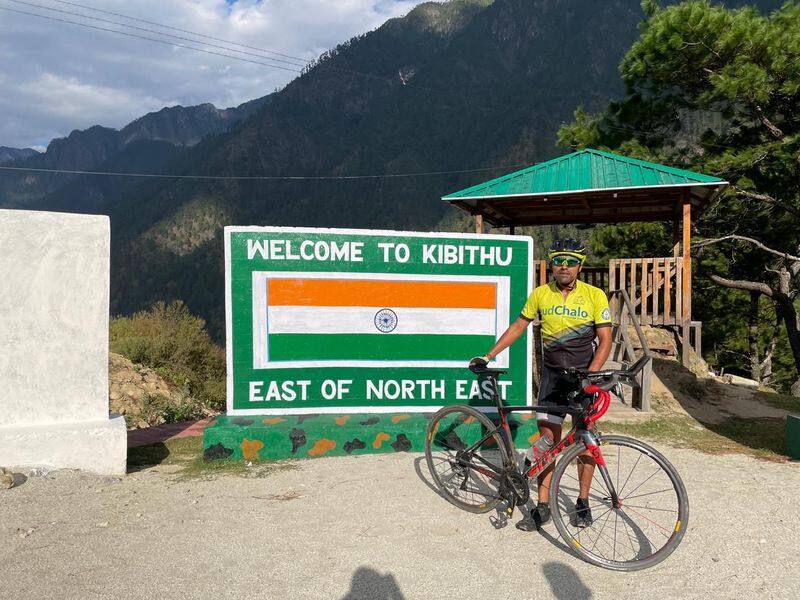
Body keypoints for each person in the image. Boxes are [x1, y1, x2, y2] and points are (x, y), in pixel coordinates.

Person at [471, 239, 612, 531]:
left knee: (585, 441)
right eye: (559, 260)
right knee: (548, 441)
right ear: (552, 264)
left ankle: (582, 502)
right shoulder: (540, 294)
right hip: (552, 377)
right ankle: (543, 505)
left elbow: (605, 339)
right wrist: (489, 355)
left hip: (583, 378)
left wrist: (591, 375)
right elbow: (518, 327)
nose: (564, 266)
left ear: (580, 266)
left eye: (571, 261)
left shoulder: (595, 295)